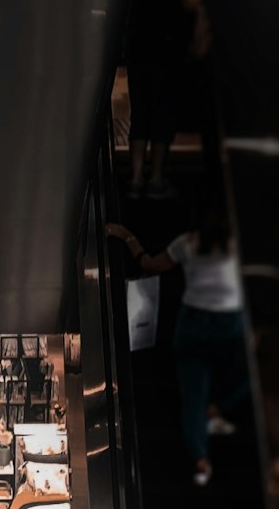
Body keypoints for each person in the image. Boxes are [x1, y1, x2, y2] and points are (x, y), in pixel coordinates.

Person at [106, 199, 250, 487]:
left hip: (193, 322)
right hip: (228, 322)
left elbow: (149, 264)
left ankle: (201, 459)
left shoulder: (188, 242)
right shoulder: (236, 245)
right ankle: (218, 408)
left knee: (192, 391)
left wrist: (127, 236)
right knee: (244, 376)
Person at [121, 0, 209, 199]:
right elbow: (186, 1)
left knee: (140, 112)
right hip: (165, 47)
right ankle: (155, 178)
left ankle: (133, 178)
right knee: (162, 113)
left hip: (137, 45)